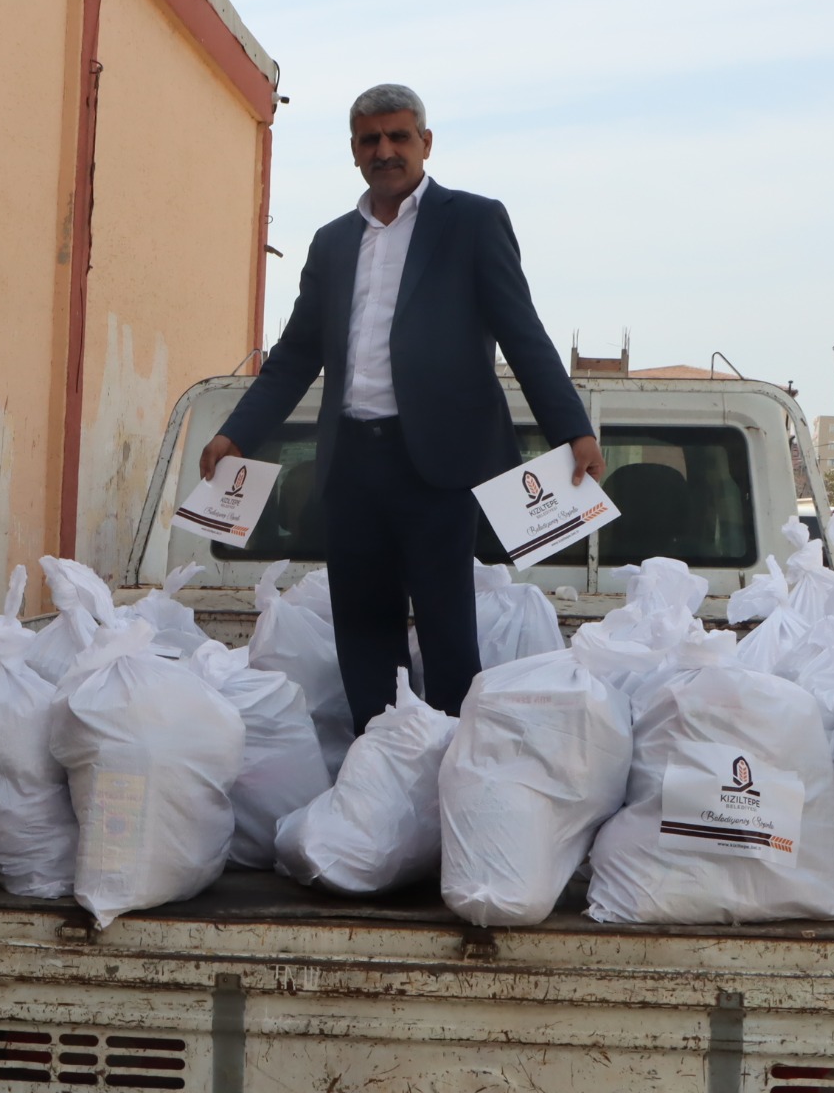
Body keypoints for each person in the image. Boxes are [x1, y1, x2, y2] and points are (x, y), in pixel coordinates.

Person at [198, 83, 600, 729]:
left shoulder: (470, 222)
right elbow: (296, 356)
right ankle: (380, 761)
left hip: (439, 468)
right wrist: (235, 436)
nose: (384, 150)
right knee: (363, 629)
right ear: (354, 152)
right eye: (369, 140)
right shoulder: (332, 243)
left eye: (398, 137)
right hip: (353, 466)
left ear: (425, 143)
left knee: (446, 630)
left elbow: (523, 333)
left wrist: (572, 429)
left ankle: (447, 765)